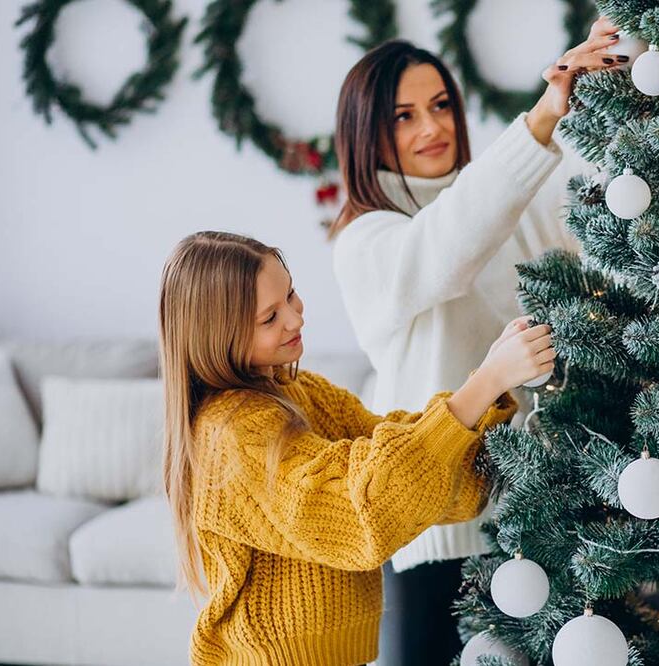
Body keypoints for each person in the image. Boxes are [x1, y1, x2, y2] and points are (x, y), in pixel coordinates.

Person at [329, 17, 622, 663]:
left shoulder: (500, 197)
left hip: (538, 508)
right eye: (403, 116)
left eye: (440, 106)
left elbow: (590, 188)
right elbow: (448, 247)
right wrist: (542, 114)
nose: (431, 128)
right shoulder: (365, 241)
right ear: (365, 131)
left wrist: (611, 67)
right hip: (437, 528)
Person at [159, 231, 554, 665]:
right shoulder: (232, 433)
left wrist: (486, 387)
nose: (294, 319)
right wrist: (485, 384)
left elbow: (402, 461)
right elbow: (359, 514)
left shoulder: (304, 390)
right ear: (219, 336)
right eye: (269, 318)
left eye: (290, 295)